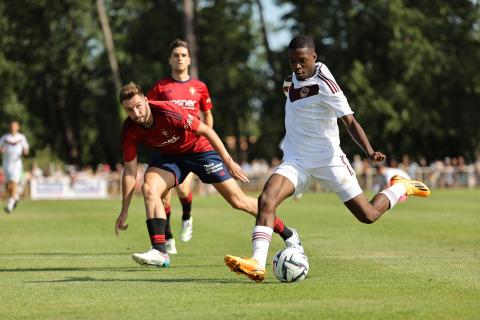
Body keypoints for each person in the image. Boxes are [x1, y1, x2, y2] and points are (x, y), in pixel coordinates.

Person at [224, 35, 431, 282]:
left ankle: (399, 188)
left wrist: (369, 150)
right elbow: (293, 92)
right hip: (296, 159)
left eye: (302, 61)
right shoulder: (290, 80)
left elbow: (350, 121)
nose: (297, 66)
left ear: (314, 57)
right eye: (292, 62)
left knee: (367, 215)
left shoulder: (326, 84)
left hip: (328, 159)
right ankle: (257, 263)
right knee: (266, 198)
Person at [114, 82, 302, 268]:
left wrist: (229, 161)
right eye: (129, 110)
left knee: (238, 201)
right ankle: (160, 251)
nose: (136, 113)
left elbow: (206, 130)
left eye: (138, 106)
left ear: (146, 101)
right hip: (169, 157)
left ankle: (288, 233)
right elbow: (130, 171)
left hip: (199, 151)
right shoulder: (129, 129)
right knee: (149, 187)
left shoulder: (167, 111)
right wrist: (124, 210)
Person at [147, 39, 214, 254]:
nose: (180, 58)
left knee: (184, 190)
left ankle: (187, 216)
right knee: (163, 195)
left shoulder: (200, 87)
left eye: (183, 55)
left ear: (189, 59)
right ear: (170, 59)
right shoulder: (160, 87)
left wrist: (208, 138)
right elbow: (148, 113)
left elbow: (207, 115)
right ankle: (167, 237)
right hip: (167, 148)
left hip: (191, 148)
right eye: (176, 55)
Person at [0, 120, 29, 213]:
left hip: (16, 164)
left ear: (18, 127)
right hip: (6, 163)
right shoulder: (5, 137)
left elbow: (26, 149)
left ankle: (10, 205)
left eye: (15, 126)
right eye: (12, 126)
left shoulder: (21, 137)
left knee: (14, 182)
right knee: (8, 186)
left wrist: (25, 152)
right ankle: (15, 198)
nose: (13, 128)